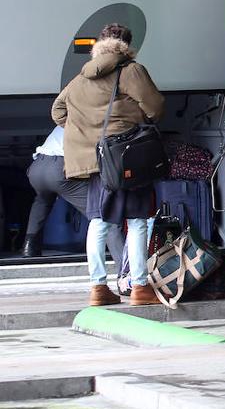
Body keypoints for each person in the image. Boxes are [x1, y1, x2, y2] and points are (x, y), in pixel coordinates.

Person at [51, 24, 164, 307]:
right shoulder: (131, 70)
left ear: (99, 44)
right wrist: (131, 123)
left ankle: (98, 288)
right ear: (128, 45)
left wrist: (87, 133)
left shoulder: (81, 77)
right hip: (126, 157)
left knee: (98, 221)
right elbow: (155, 106)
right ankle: (139, 287)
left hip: (95, 161)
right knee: (137, 220)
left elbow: (58, 111)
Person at [22, 126, 126, 271]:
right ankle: (126, 270)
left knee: (43, 200)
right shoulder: (92, 122)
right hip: (59, 169)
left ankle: (29, 247)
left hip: (36, 168)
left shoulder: (67, 120)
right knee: (104, 215)